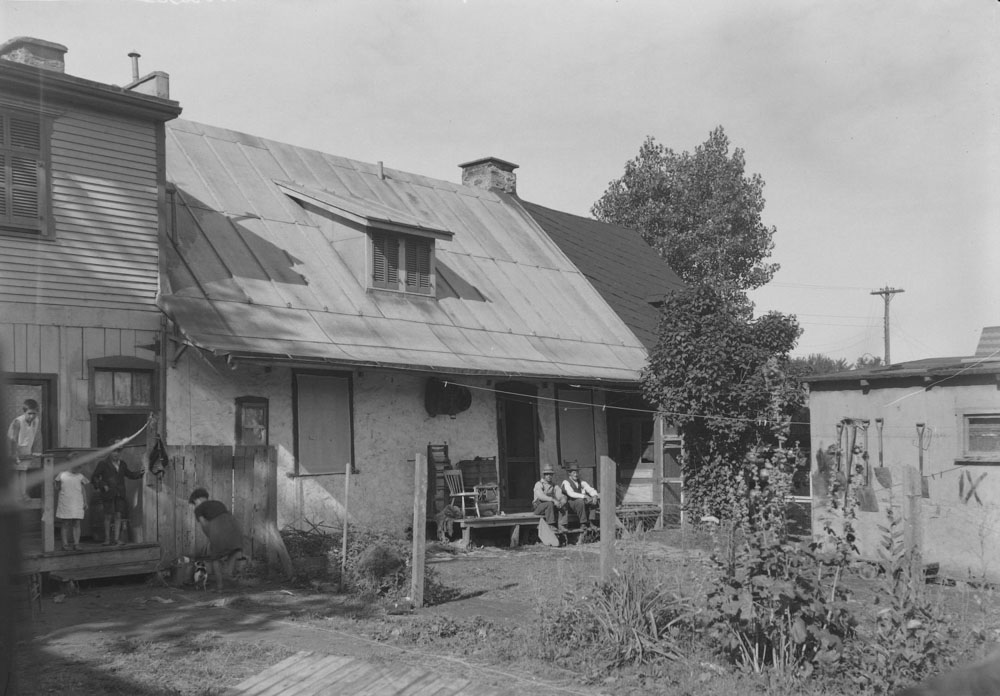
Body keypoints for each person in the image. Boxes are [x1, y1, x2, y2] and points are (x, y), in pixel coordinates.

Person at [188, 488, 243, 591]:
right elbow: (227, 516)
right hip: (233, 526)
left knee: (215, 558)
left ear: (197, 499)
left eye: (194, 503)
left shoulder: (198, 509)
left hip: (219, 527)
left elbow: (204, 524)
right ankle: (229, 574)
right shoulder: (218, 503)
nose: (195, 505)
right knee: (234, 550)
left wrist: (211, 537)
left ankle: (220, 587)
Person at [91, 438, 144, 545]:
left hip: (119, 494)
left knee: (118, 515)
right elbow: (94, 477)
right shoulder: (103, 464)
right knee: (108, 516)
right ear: (110, 452)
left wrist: (141, 472)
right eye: (114, 451)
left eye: (118, 452)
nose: (116, 454)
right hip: (108, 494)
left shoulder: (123, 464)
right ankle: (107, 539)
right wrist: (103, 485)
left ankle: (116, 539)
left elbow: (130, 474)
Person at [55, 453, 89, 551]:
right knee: (65, 523)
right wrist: (57, 485)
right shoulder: (62, 475)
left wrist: (85, 502)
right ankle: (65, 544)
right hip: (65, 501)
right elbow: (57, 487)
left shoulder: (80, 476)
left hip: (77, 502)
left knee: (77, 523)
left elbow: (83, 490)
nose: (78, 469)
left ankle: (76, 543)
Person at [561, 466, 599, 530]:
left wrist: (594, 496)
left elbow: (590, 489)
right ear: (569, 473)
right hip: (570, 504)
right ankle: (583, 523)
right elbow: (571, 493)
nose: (576, 474)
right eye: (574, 472)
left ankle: (591, 522)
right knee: (580, 501)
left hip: (580, 504)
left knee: (593, 501)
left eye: (577, 472)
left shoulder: (581, 482)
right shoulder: (566, 482)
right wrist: (584, 496)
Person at [532, 466, 567, 531]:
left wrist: (562, 500)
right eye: (547, 474)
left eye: (550, 474)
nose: (549, 476)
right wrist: (553, 500)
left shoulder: (554, 485)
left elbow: (559, 494)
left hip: (549, 509)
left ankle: (562, 525)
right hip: (539, 508)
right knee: (549, 503)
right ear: (544, 475)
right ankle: (550, 524)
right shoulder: (539, 484)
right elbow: (541, 496)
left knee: (563, 505)